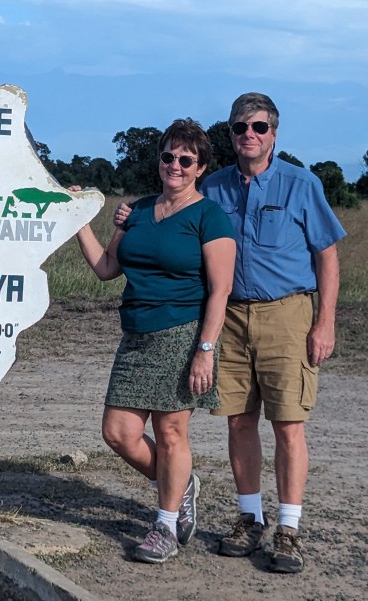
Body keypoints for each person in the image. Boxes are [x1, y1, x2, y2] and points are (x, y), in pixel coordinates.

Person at [118, 94, 346, 573]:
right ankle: (249, 517)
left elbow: (326, 254)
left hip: (287, 312)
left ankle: (288, 529)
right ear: (230, 134)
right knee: (238, 422)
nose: (249, 135)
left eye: (259, 127)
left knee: (288, 425)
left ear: (274, 133)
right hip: (228, 318)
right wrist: (124, 217)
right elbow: (168, 215)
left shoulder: (301, 183)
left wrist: (324, 320)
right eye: (240, 127)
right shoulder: (215, 187)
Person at [73, 118, 235, 564]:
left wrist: (205, 350)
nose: (176, 166)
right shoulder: (137, 211)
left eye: (187, 159)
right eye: (169, 156)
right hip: (136, 335)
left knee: (170, 432)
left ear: (201, 167)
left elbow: (220, 290)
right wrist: (78, 221)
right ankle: (182, 486)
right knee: (118, 432)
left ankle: (164, 524)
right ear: (159, 158)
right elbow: (107, 268)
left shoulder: (210, 216)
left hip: (183, 334)